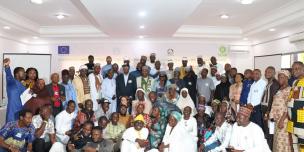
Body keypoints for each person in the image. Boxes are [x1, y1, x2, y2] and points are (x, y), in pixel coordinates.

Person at [269, 70, 292, 152]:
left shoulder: (289, 90)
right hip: (277, 120)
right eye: (279, 77)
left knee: (283, 141)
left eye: (282, 77)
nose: (279, 79)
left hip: (284, 120)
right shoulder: (280, 89)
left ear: (287, 78)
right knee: (277, 141)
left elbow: (288, 106)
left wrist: (282, 120)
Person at [287, 61, 304, 151]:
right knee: (294, 145)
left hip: (302, 121)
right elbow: (291, 100)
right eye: (293, 69)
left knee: (302, 145)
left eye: (297, 68)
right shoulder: (295, 82)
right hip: (293, 120)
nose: (294, 71)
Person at [261, 66, 280, 148]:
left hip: (269, 110)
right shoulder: (268, 83)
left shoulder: (275, 83)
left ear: (274, 73)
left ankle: (270, 148)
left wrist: (268, 112)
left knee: (269, 130)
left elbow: (273, 99)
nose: (266, 73)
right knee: (266, 129)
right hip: (264, 108)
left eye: (269, 72)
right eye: (265, 72)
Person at [3, 58, 26, 123]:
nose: (25, 73)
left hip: (21, 112)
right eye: (23, 72)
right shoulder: (12, 82)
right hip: (13, 112)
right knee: (11, 130)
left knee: (20, 130)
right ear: (17, 74)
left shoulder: (23, 85)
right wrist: (7, 66)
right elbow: (8, 75)